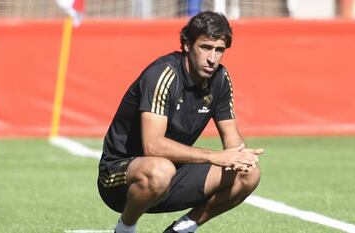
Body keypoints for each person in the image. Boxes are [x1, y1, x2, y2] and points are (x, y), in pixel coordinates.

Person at [97, 11, 264, 233]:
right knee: (160, 169)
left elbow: (232, 138)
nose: (212, 58)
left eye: (219, 50)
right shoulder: (163, 74)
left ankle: (182, 229)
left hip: (172, 173)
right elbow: (153, 146)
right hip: (120, 177)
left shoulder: (221, 79)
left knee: (249, 174)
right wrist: (215, 156)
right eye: (205, 47)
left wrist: (241, 156)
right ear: (187, 45)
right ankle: (124, 229)